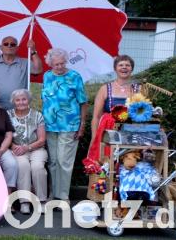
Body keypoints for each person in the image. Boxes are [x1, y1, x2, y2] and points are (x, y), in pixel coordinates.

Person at [41, 48, 88, 203]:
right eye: (56, 64)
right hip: (49, 125)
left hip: (70, 124)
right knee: (53, 161)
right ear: (50, 64)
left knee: (64, 161)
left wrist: (82, 125)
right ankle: (53, 194)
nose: (59, 67)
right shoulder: (46, 76)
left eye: (62, 63)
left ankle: (63, 196)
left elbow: (83, 102)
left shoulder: (74, 76)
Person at [7, 89, 47, 214]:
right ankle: (25, 202)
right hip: (17, 149)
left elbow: (42, 140)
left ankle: (41, 201)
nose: (21, 102)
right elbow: (4, 136)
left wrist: (27, 147)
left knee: (37, 167)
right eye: (17, 100)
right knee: (22, 166)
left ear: (28, 100)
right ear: (13, 101)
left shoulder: (37, 115)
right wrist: (13, 146)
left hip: (36, 148)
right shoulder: (8, 115)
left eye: (24, 99)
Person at [0, 36, 43, 109]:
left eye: (13, 44)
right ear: (1, 47)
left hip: (19, 109)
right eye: (6, 44)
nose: (9, 46)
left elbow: (38, 70)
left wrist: (33, 51)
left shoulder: (25, 63)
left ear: (17, 48)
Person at [91, 55, 139, 139]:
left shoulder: (139, 89)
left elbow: (144, 113)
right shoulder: (105, 89)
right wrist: (94, 137)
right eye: (120, 65)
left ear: (132, 69)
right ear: (115, 69)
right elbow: (96, 117)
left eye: (127, 65)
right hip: (108, 132)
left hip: (131, 133)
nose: (124, 67)